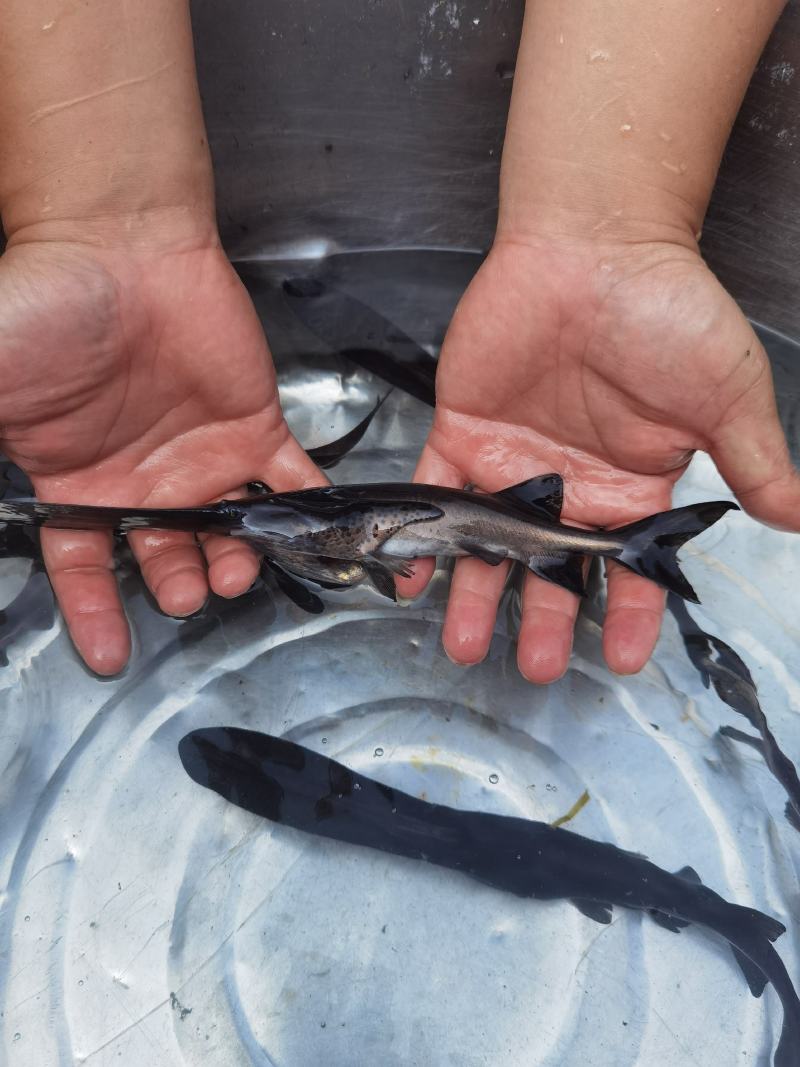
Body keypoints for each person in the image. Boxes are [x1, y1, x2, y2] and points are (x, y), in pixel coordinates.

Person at [0, 1, 797, 682]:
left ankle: (632, 546)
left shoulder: (338, 532)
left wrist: (615, 233)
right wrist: (96, 230)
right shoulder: (329, 528)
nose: (236, 518)